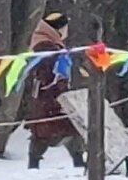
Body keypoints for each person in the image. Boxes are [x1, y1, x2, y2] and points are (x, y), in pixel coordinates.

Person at [25, 12, 86, 170]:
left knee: (68, 129)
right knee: (49, 130)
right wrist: (57, 86)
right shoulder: (45, 46)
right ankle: (34, 164)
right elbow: (48, 73)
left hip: (52, 96)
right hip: (50, 97)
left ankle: (78, 161)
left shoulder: (49, 44)